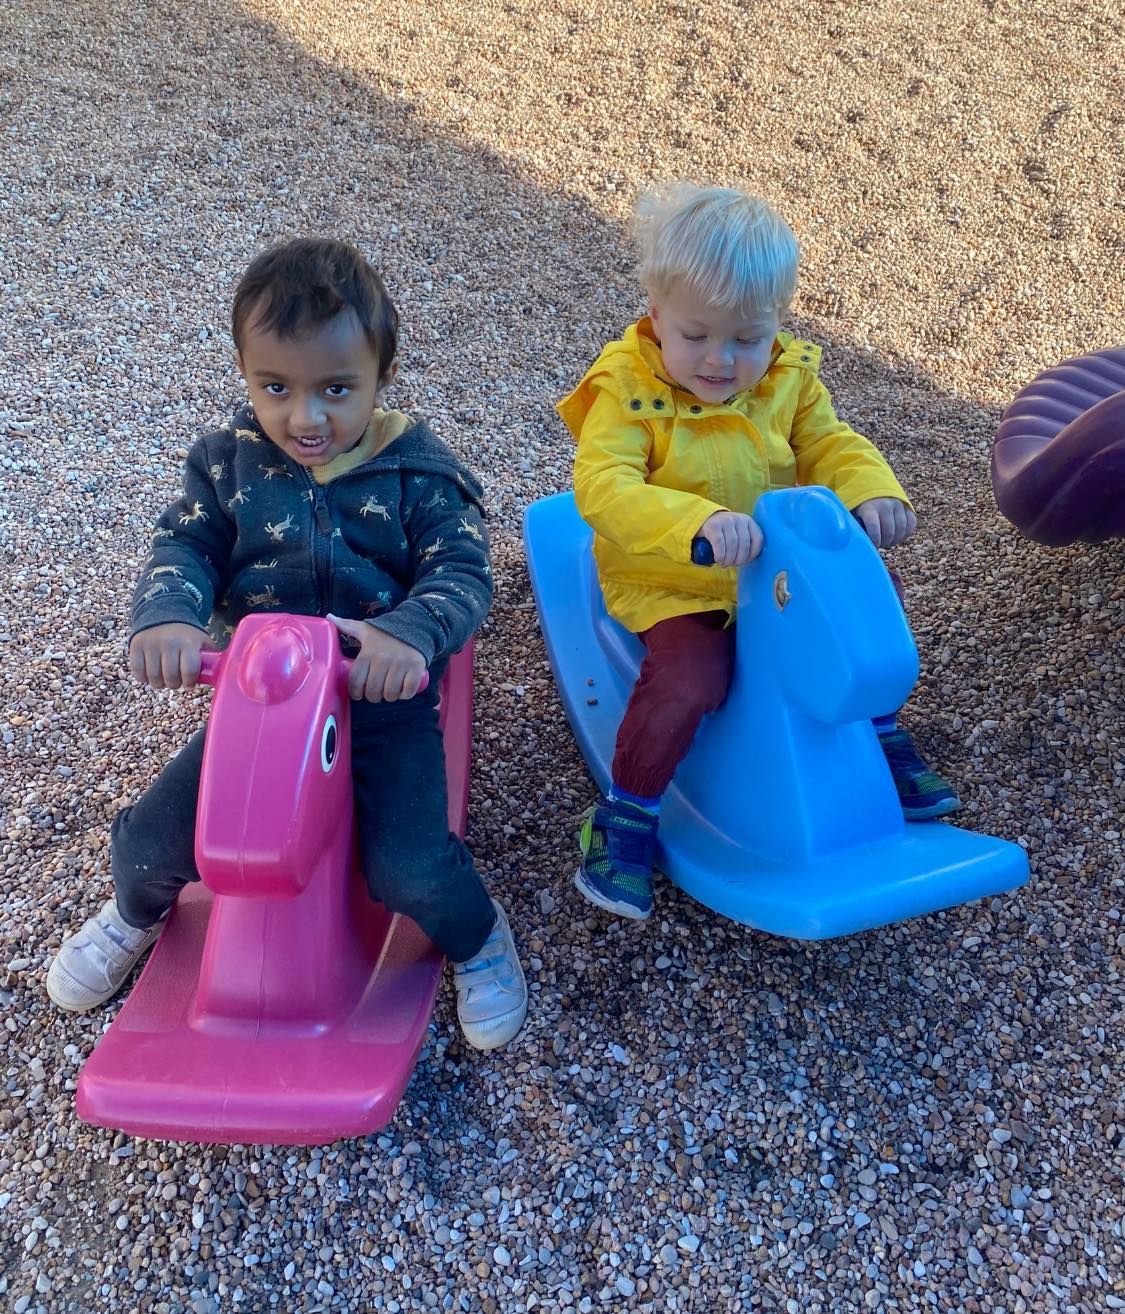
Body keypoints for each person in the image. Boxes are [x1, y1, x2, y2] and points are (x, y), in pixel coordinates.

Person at [47, 238, 527, 1050]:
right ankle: (132, 914)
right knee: (154, 840)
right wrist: (168, 614)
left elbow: (461, 572)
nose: (306, 418)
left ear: (382, 377)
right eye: (277, 387)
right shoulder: (230, 463)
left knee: (407, 867)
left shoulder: (418, 475)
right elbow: (185, 546)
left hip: (378, 694)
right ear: (244, 373)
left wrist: (404, 634)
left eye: (337, 390)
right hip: (262, 700)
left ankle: (478, 938)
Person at [558, 184, 960, 920]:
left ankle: (877, 731)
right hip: (674, 574)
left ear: (777, 322)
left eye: (747, 338)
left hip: (772, 568)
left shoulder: (788, 378)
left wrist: (870, 489)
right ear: (655, 315)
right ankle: (625, 813)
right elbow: (604, 488)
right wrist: (696, 523)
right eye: (696, 334)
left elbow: (828, 442)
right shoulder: (625, 389)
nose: (720, 359)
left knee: (869, 615)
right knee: (689, 679)